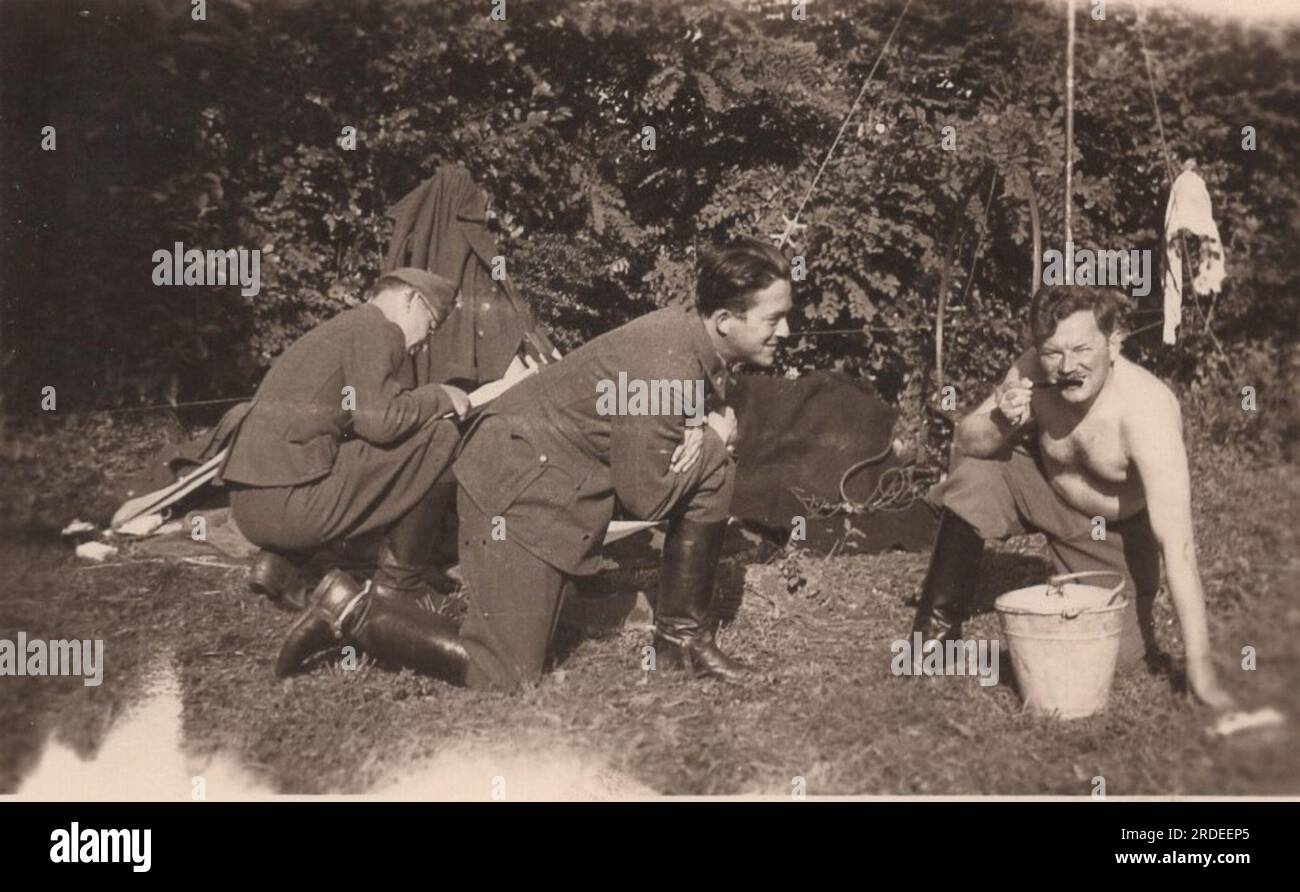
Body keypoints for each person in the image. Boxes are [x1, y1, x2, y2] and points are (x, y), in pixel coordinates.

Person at [274, 237, 795, 688]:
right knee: (502, 672)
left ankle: (680, 641)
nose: (787, 331)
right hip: (518, 487)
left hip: (553, 475)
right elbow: (649, 495)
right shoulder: (666, 366)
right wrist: (712, 435)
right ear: (725, 321)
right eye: (774, 318)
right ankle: (349, 609)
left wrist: (708, 436)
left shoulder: (692, 338)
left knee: (713, 468)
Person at [910, 284, 1235, 708]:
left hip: (1111, 534)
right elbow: (967, 441)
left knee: (1115, 658)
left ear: (1114, 342)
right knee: (978, 472)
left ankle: (1076, 589)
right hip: (1046, 492)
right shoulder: (1033, 370)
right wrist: (1002, 420)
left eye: (1082, 349)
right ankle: (934, 639)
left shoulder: (1147, 411)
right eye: (1053, 352)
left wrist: (1201, 668)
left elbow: (1181, 547)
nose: (1067, 367)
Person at [223, 268, 470, 609]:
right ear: (412, 300)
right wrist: (440, 396)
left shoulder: (342, 328)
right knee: (440, 435)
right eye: (430, 327)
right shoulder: (379, 330)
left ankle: (283, 565)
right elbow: (381, 422)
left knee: (354, 449)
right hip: (289, 508)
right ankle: (401, 584)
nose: (423, 344)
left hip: (249, 507)